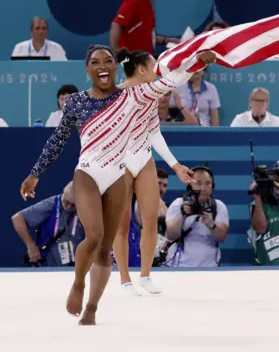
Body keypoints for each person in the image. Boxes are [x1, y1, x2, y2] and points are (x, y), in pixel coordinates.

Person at [19, 44, 210, 325]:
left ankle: (92, 308)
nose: (102, 66)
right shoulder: (77, 102)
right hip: (87, 173)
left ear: (115, 66)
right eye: (95, 62)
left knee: (105, 246)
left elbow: (172, 80)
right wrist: (35, 173)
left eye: (107, 61)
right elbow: (57, 140)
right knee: (94, 235)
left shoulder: (131, 96)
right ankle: (78, 284)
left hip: (117, 177)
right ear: (88, 70)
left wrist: (196, 61)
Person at [112, 48, 210, 296]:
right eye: (154, 67)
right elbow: (176, 79)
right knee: (121, 225)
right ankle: (124, 280)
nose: (157, 71)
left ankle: (145, 276)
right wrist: (196, 60)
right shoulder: (122, 94)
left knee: (151, 221)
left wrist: (175, 165)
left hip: (144, 161)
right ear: (142, 69)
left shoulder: (150, 96)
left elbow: (154, 133)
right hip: (120, 164)